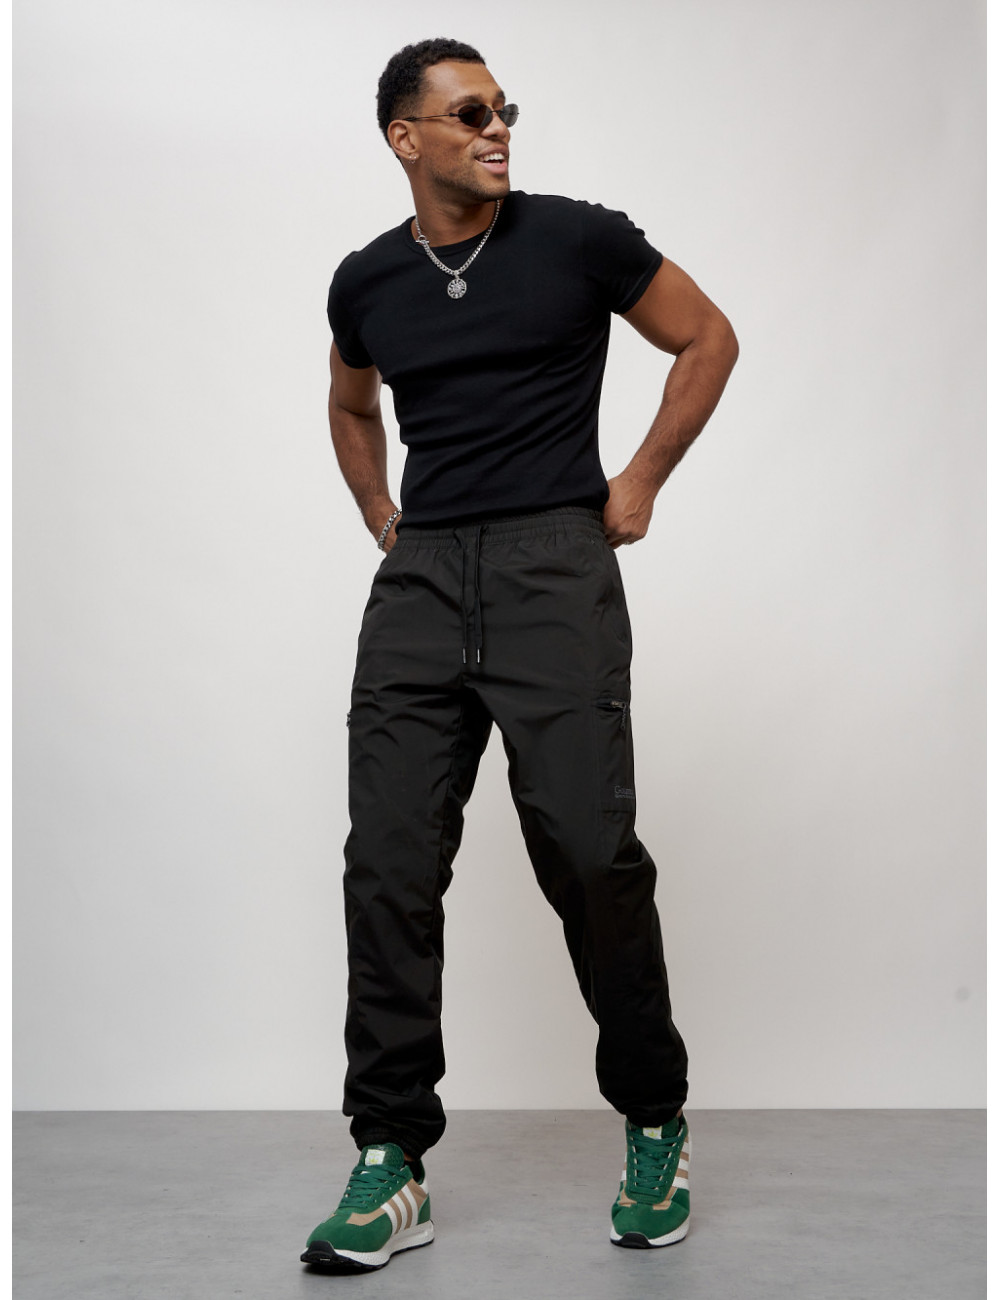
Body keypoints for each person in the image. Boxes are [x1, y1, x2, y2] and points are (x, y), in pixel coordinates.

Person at [302, 37, 738, 1273]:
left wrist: (637, 479)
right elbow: (350, 401)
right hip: (422, 580)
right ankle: (391, 1158)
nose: (496, 128)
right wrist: (382, 513)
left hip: (554, 566)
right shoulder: (366, 280)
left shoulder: (577, 239)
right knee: (387, 865)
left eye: (502, 109)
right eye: (468, 113)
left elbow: (707, 337)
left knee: (590, 854)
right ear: (406, 138)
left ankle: (654, 1122)